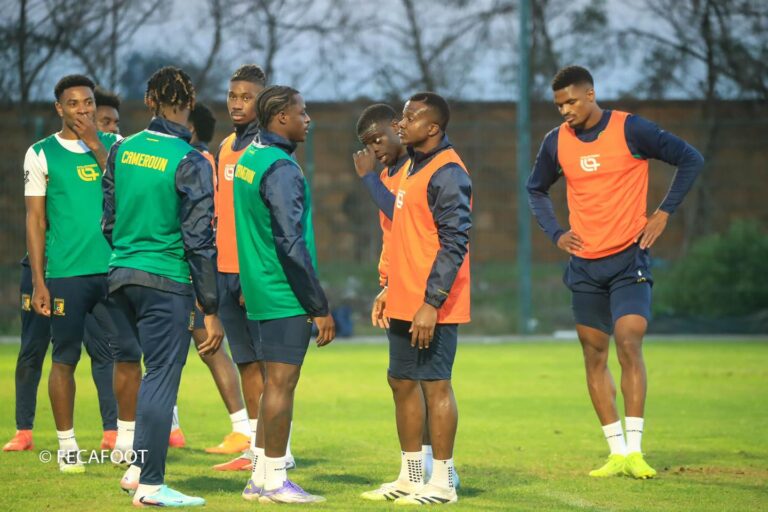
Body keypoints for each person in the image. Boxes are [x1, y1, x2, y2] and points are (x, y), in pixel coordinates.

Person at [527, 65, 704, 479]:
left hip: (629, 258)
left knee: (628, 340)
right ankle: (616, 451)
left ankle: (637, 450)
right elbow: (535, 188)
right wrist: (555, 232)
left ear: (590, 94)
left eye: (570, 101)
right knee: (594, 353)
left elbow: (690, 159)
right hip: (585, 266)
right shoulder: (556, 142)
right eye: (558, 105)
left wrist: (663, 213)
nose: (564, 110)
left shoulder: (630, 129)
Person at [102, 66, 223, 507]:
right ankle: (152, 486)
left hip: (118, 277)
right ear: (188, 106)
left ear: (150, 100)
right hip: (165, 281)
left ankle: (136, 470)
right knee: (160, 380)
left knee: (135, 372)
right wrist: (209, 306)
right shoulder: (190, 160)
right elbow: (199, 237)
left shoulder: (122, 149)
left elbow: (109, 221)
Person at [363, 92, 471, 505]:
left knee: (435, 386)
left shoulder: (449, 172)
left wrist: (433, 301)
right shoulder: (410, 168)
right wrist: (390, 287)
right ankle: (411, 476)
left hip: (433, 305)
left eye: (409, 118)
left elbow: (454, 242)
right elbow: (408, 236)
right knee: (402, 382)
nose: (401, 123)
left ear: (433, 128)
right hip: (403, 299)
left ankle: (443, 482)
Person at [235, 85, 335, 504]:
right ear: (281, 119)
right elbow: (290, 243)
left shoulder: (250, 157)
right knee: (280, 384)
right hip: (282, 292)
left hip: (259, 289)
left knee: (270, 384)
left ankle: (259, 477)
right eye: (302, 112)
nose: (308, 119)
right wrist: (319, 306)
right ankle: (276, 480)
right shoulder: (280, 169)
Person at [23, 74, 120, 472]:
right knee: (64, 358)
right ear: (59, 109)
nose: (83, 110)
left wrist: (97, 145)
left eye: (88, 103)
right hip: (66, 274)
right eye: (74, 103)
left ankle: (124, 440)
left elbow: (127, 192)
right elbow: (34, 220)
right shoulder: (41, 153)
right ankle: (67, 447)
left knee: (125, 357)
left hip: (115, 272)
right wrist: (39, 281)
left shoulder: (116, 146)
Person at [210, 65, 298, 472]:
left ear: (263, 103)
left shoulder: (265, 151)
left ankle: (280, 450)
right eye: (232, 95)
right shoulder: (226, 145)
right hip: (222, 269)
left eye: (246, 97)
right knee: (246, 361)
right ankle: (255, 448)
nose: (236, 103)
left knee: (271, 367)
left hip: (253, 272)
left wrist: (253, 271)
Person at [172, 101, 252, 453]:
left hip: (196, 269)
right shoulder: (203, 157)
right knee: (169, 348)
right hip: (181, 266)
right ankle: (171, 425)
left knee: (209, 343)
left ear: (190, 129)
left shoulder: (199, 161)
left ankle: (243, 428)